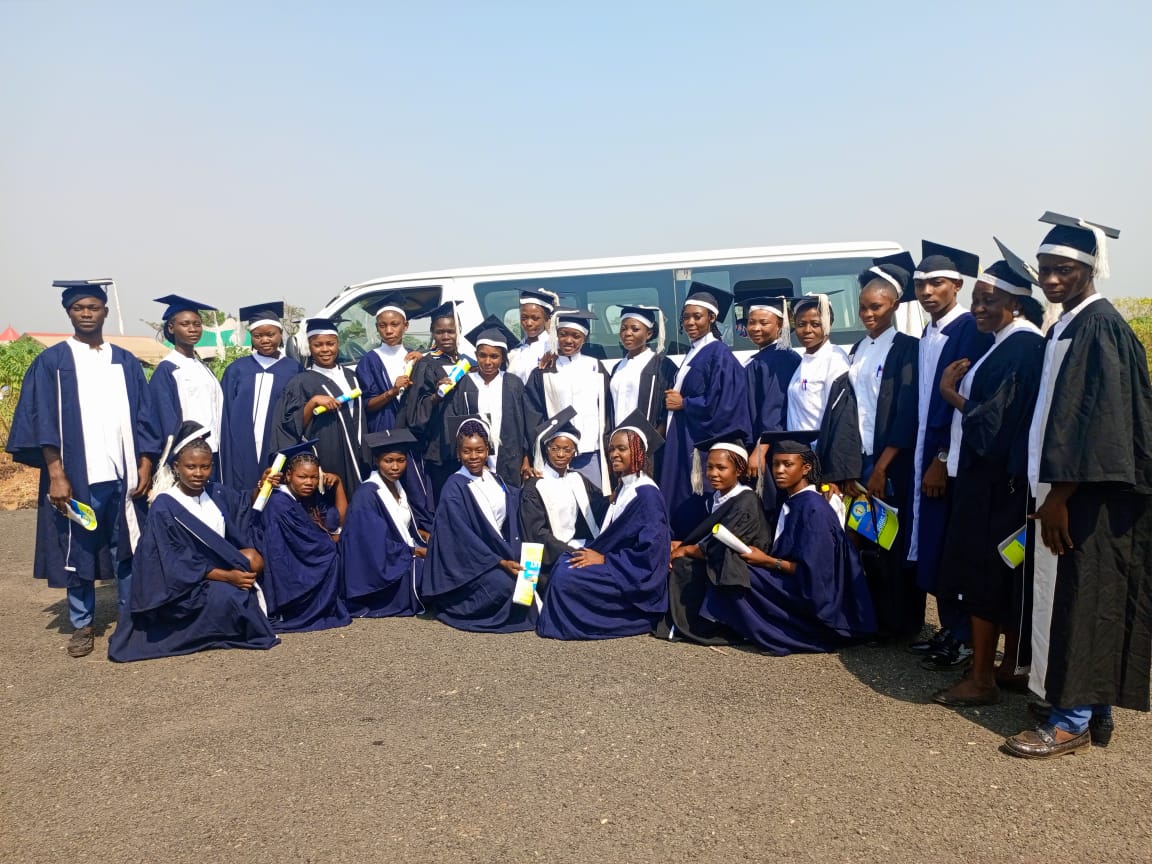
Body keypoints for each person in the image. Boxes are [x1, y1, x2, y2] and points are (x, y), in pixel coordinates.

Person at [1005, 212, 1152, 759]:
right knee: (1077, 599)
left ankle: (1072, 721)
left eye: (1063, 269)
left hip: (1089, 498)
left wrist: (1060, 497)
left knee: (1085, 600)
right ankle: (1084, 706)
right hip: (1066, 493)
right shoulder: (1067, 324)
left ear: (1091, 269)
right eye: (1044, 268)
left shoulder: (1099, 326)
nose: (1050, 279)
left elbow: (1099, 422)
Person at [7, 279, 157, 658]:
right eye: (79, 308)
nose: (86, 314)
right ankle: (83, 624)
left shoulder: (124, 361)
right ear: (68, 313)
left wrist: (145, 463)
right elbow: (42, 422)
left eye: (93, 307)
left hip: (123, 473)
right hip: (75, 475)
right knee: (77, 548)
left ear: (105, 311)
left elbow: (145, 416)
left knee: (127, 547)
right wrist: (56, 474)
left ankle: (130, 619)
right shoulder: (53, 361)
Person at [930, 244, 1045, 707]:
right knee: (1003, 574)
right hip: (996, 481)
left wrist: (950, 393)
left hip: (997, 484)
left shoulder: (1022, 347)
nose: (978, 308)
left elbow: (994, 425)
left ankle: (982, 679)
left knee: (985, 576)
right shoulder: (1008, 344)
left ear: (1016, 303)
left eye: (988, 300)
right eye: (976, 299)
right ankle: (1008, 665)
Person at [107, 422, 279, 662]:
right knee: (236, 600)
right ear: (176, 466)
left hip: (218, 570)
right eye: (191, 467)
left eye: (205, 467)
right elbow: (173, 562)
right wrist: (228, 577)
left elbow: (243, 506)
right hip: (184, 586)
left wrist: (262, 485)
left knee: (254, 560)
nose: (198, 473)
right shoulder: (165, 506)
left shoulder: (216, 493)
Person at [699, 431, 876, 654]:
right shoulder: (793, 500)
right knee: (732, 563)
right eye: (775, 464)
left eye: (787, 464)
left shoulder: (814, 509)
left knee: (735, 571)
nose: (779, 470)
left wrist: (767, 561)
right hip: (795, 579)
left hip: (817, 597)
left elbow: (817, 574)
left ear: (806, 468)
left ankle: (767, 631)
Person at [819, 254, 921, 637]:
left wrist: (881, 468)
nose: (867, 314)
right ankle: (872, 619)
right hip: (860, 460)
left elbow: (905, 413)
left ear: (893, 305)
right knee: (865, 540)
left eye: (875, 307)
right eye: (862, 307)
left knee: (891, 540)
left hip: (888, 463)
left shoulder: (906, 349)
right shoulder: (858, 349)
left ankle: (900, 624)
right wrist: (848, 468)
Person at [906, 242, 993, 669]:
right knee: (934, 545)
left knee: (950, 546)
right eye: (921, 285)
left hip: (948, 456)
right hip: (924, 450)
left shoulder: (968, 329)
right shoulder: (929, 332)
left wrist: (941, 458)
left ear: (957, 285)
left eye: (937, 283)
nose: (927, 292)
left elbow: (962, 400)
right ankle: (948, 627)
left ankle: (963, 636)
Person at [537, 412, 671, 640]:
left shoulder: (646, 494)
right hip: (622, 563)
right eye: (611, 449)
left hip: (635, 574)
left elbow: (650, 553)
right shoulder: (625, 486)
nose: (614, 454)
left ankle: (633, 618)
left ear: (638, 452)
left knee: (567, 575)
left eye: (622, 449)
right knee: (564, 562)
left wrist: (605, 560)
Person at [420, 417, 536, 633]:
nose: (473, 457)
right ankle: (455, 607)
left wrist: (533, 483)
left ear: (487, 450)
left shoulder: (494, 479)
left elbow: (515, 503)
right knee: (506, 586)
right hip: (468, 565)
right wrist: (500, 561)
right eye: (467, 451)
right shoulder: (454, 487)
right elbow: (461, 539)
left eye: (479, 450)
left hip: (495, 554)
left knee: (529, 579)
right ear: (458, 453)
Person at [660, 287, 752, 538]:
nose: (690, 322)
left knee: (695, 497)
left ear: (712, 318)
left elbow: (725, 402)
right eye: (686, 317)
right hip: (683, 438)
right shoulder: (695, 350)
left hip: (698, 443)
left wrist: (685, 403)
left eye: (697, 316)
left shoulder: (718, 353)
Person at [661, 435, 769, 645]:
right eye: (709, 467)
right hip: (718, 558)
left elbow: (722, 547)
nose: (713, 473)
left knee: (684, 563)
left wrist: (686, 550)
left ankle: (700, 624)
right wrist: (682, 545)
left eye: (721, 468)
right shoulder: (717, 498)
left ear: (739, 470)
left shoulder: (746, 500)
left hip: (740, 566)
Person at [257, 441, 352, 633]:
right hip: (286, 569)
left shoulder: (305, 499)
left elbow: (338, 522)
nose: (309, 482)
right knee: (330, 554)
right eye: (302, 477)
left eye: (314, 477)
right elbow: (308, 544)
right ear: (288, 475)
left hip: (298, 560)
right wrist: (329, 543)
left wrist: (339, 484)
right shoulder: (279, 502)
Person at [269, 317, 369, 493]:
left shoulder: (352, 376)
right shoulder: (301, 382)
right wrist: (312, 403)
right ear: (309, 347)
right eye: (318, 345)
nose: (325, 349)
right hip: (328, 453)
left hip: (361, 452)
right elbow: (290, 428)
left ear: (338, 344)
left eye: (330, 344)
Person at [340, 428, 428, 618]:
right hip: (381, 570)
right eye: (388, 461)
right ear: (377, 461)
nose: (395, 467)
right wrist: (415, 551)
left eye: (400, 460)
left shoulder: (398, 487)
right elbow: (373, 545)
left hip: (399, 554)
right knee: (428, 570)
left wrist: (422, 537)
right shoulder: (367, 495)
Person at [444, 315, 539, 487]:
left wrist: (526, 458)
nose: (488, 362)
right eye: (483, 355)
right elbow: (455, 423)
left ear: (502, 358)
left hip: (510, 458)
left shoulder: (513, 384)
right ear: (476, 355)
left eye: (494, 356)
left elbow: (525, 425)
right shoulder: (465, 383)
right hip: (475, 459)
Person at [519, 407, 608, 587]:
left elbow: (599, 506)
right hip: (551, 558)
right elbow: (536, 534)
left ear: (574, 452)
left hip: (577, 545)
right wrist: (569, 552)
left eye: (567, 450)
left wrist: (617, 497)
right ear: (547, 449)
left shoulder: (577, 479)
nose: (560, 454)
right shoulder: (535, 486)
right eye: (555, 449)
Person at [525, 309, 612, 492]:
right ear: (556, 335)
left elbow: (607, 408)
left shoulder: (595, 366)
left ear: (584, 339)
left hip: (590, 451)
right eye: (563, 334)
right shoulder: (544, 370)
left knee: (593, 500)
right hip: (556, 454)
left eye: (576, 336)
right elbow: (533, 413)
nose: (569, 340)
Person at [219, 302, 302, 492]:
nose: (265, 340)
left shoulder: (293, 369)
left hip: (278, 443)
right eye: (258, 336)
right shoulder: (237, 369)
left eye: (270, 334)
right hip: (241, 444)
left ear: (280, 334)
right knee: (243, 488)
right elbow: (226, 411)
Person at [401, 300, 475, 498]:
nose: (446, 336)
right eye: (440, 332)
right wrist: (436, 395)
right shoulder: (425, 364)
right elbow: (416, 409)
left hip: (468, 445)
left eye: (451, 331)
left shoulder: (468, 362)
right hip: (440, 445)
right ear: (432, 333)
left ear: (459, 332)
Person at [146, 295, 225, 473]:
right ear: (171, 328)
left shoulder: (203, 367)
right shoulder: (168, 369)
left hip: (213, 450)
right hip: (187, 456)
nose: (192, 329)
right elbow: (165, 419)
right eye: (185, 324)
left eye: (197, 324)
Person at [742, 297, 800, 500]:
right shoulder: (764, 356)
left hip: (770, 449)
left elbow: (775, 410)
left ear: (780, 325)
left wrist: (760, 450)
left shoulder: (782, 359)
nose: (755, 328)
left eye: (763, 322)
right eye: (751, 322)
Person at [355, 292, 424, 434]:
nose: (388, 331)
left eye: (394, 324)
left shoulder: (415, 357)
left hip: (414, 431)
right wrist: (392, 392)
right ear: (377, 327)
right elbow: (366, 406)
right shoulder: (369, 361)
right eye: (382, 325)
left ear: (406, 325)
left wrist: (424, 362)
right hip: (384, 431)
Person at [784, 293, 850, 434]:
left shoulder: (834, 359)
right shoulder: (805, 361)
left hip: (820, 445)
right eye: (801, 324)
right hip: (798, 445)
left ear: (828, 324)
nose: (807, 330)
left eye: (815, 324)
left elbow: (838, 415)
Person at [608, 304, 678, 433]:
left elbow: (667, 411)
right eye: (623, 328)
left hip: (648, 440)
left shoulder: (663, 366)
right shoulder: (617, 367)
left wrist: (653, 440)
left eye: (635, 329)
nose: (627, 333)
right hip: (618, 439)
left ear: (649, 334)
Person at [506, 288, 559, 383]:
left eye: (535, 318)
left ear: (546, 318)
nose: (529, 323)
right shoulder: (514, 351)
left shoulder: (553, 349)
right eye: (524, 318)